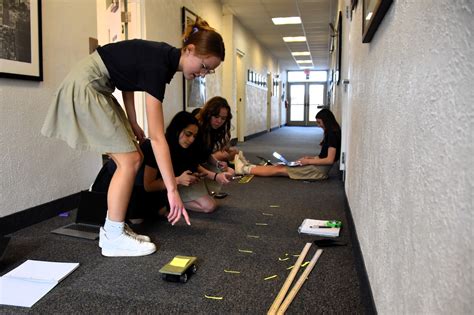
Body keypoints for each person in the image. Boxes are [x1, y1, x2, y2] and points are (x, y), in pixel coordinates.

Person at [41, 17, 225, 257]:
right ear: (189, 50)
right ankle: (113, 236)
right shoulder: (160, 65)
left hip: (98, 86)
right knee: (130, 161)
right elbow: (157, 137)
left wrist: (132, 119)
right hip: (87, 86)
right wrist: (172, 189)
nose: (203, 73)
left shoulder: (163, 58)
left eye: (209, 71)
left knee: (134, 157)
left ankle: (113, 228)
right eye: (203, 66)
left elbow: (128, 78)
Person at [92, 111, 218, 218]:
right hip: (117, 182)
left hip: (146, 185)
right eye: (188, 134)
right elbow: (149, 185)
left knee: (159, 211)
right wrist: (178, 180)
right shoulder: (155, 147)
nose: (191, 140)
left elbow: (184, 167)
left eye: (194, 136)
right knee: (140, 217)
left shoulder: (183, 148)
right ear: (177, 130)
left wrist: (191, 176)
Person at [233, 109, 341, 180]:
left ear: (326, 121)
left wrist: (308, 161)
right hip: (319, 167)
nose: (318, 126)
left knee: (279, 169)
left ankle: (244, 169)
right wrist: (311, 158)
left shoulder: (332, 134)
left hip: (318, 171)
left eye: (319, 122)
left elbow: (329, 160)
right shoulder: (331, 132)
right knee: (281, 166)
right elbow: (325, 156)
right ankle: (248, 166)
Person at [193, 97, 236, 193]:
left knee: (230, 172)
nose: (219, 121)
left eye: (223, 118)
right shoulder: (196, 129)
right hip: (186, 168)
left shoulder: (213, 129)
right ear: (208, 114)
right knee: (209, 207)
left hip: (199, 165)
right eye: (216, 117)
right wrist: (215, 176)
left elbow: (206, 153)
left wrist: (217, 163)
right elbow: (192, 162)